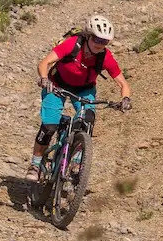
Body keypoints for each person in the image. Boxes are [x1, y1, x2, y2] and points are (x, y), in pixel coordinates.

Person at [28, 15, 132, 181]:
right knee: (49, 126)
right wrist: (44, 79)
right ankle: (35, 164)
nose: (100, 44)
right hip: (57, 84)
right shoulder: (72, 44)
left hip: (84, 89)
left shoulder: (105, 57)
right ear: (88, 36)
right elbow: (44, 63)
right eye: (97, 39)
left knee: (87, 120)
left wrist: (125, 99)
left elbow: (123, 83)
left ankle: (76, 161)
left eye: (105, 41)